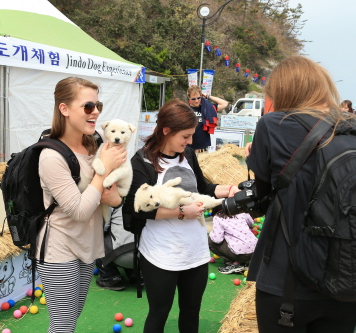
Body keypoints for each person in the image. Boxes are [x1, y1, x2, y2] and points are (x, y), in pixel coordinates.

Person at [245, 56, 356, 332]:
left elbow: (262, 196)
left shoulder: (273, 125)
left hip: (287, 278)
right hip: (346, 278)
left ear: (282, 90)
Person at [123, 99, 238, 333]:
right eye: (185, 136)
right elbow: (138, 209)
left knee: (191, 311)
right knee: (159, 312)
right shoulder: (141, 161)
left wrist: (227, 189)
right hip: (161, 253)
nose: (190, 141)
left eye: (191, 136)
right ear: (166, 131)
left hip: (194, 251)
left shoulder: (188, 154)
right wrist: (181, 212)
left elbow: (202, 189)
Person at [34, 77, 126, 332]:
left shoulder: (94, 145)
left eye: (98, 105)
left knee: (71, 319)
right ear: (64, 109)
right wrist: (103, 170)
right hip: (59, 248)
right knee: (62, 326)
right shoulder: (51, 156)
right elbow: (80, 211)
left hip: (87, 245)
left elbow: (113, 198)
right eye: (88, 106)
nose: (95, 111)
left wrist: (113, 195)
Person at [187, 85, 228, 153]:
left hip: (203, 149)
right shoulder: (185, 109)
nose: (197, 101)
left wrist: (208, 96)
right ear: (189, 98)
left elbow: (225, 104)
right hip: (189, 149)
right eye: (194, 99)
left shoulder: (207, 108)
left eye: (198, 98)